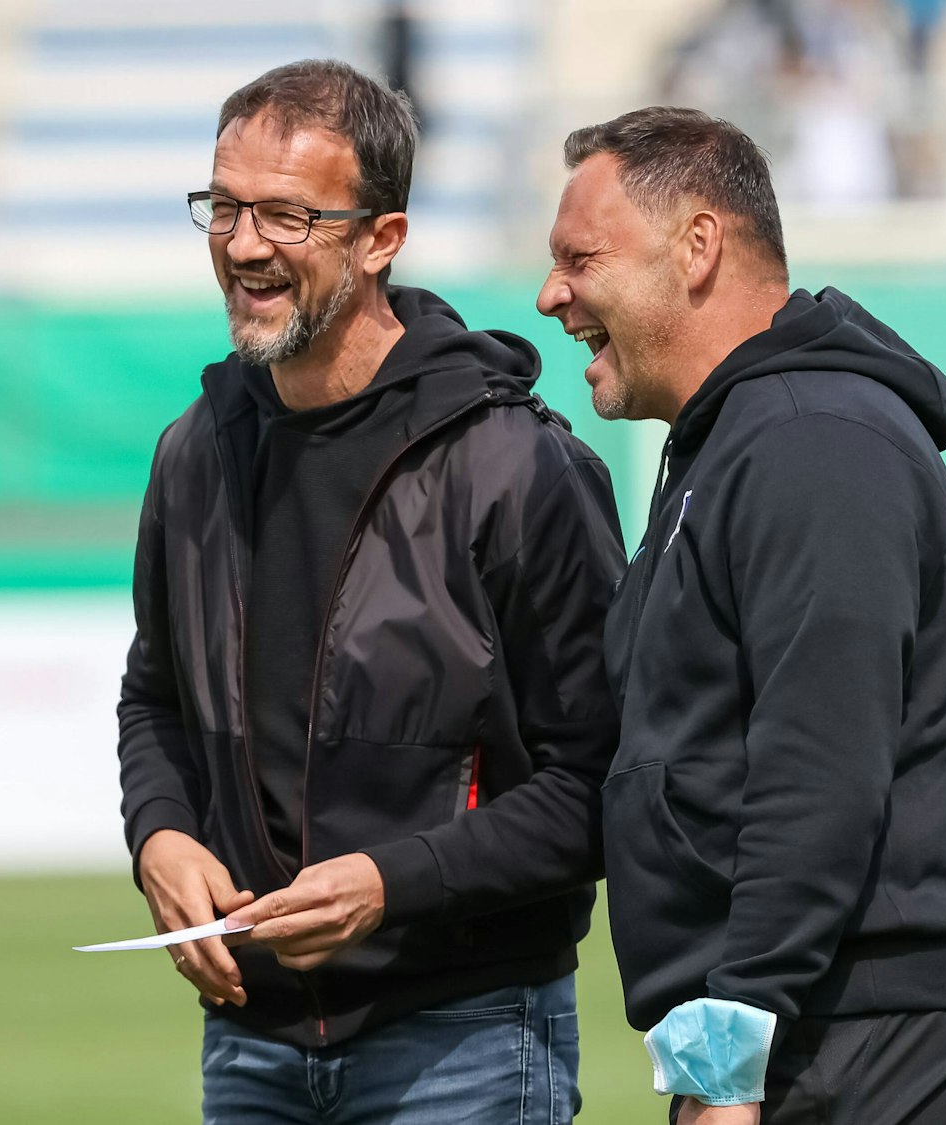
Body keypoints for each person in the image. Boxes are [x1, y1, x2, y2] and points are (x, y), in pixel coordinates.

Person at [117, 59, 626, 1125]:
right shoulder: (192, 454)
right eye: (224, 206)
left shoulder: (514, 466)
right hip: (248, 1042)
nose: (243, 244)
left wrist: (394, 883)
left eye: (288, 215)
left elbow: (600, 785)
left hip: (467, 1039)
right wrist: (159, 835)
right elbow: (155, 697)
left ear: (379, 239)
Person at [536, 106, 946, 1125]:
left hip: (850, 1037)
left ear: (697, 246)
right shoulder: (742, 443)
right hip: (795, 1032)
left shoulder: (811, 440)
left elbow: (819, 757)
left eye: (579, 259)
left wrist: (736, 1036)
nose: (552, 297)